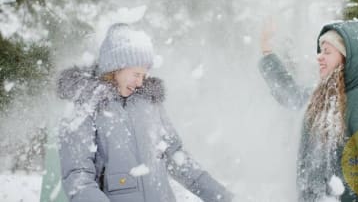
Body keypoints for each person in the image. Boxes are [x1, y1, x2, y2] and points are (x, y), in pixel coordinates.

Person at [58, 23, 233, 202]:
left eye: (144, 75)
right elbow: (77, 175)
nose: (140, 82)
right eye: (136, 74)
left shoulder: (148, 103)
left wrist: (221, 196)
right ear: (116, 69)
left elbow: (176, 156)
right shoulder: (87, 105)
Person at [259, 18, 358, 202]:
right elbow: (290, 93)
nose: (319, 56)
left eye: (327, 52)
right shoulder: (321, 98)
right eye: (320, 51)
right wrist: (267, 50)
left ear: (348, 59)